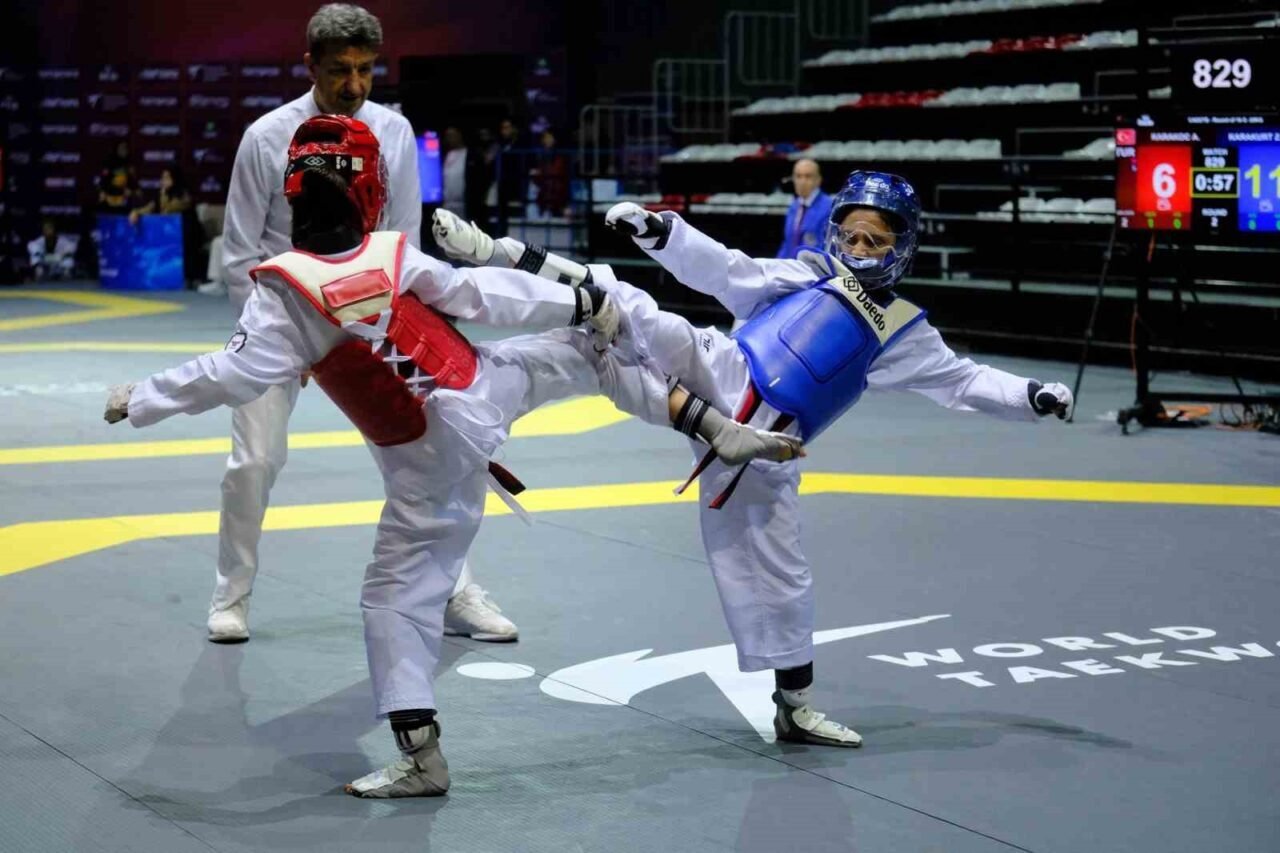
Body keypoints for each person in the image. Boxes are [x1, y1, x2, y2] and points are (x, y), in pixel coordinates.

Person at [441, 171, 1074, 748]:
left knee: (779, 578)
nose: (858, 249)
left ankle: (796, 708)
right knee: (618, 309)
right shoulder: (807, 275)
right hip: (719, 371)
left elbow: (963, 381)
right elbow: (727, 271)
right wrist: (662, 233)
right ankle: (495, 261)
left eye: (874, 241)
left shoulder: (904, 332)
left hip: (767, 447)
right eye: (850, 235)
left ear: (901, 246)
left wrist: (1029, 395)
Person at [205, 3, 515, 644]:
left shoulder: (394, 132)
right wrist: (276, 341)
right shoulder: (267, 136)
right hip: (280, 314)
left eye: (366, 69)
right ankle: (230, 597)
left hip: (370, 315)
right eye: (340, 69)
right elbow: (239, 254)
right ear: (310, 65)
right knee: (253, 461)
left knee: (430, 457)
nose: (354, 84)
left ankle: (453, 591)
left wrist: (396, 330)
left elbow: (401, 243)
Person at [129, 166, 203, 285]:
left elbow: (168, 210)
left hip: (189, 233)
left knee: (187, 239)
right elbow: (149, 208)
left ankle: (191, 277)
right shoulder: (162, 194)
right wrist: (136, 212)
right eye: (162, 178)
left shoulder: (184, 194)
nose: (163, 181)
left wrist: (163, 195)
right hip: (171, 233)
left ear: (175, 178)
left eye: (167, 178)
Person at [777, 158, 832, 259]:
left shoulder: (829, 208)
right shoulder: (794, 206)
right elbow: (788, 243)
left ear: (818, 180)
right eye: (798, 176)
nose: (802, 181)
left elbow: (825, 248)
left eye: (808, 176)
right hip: (792, 264)